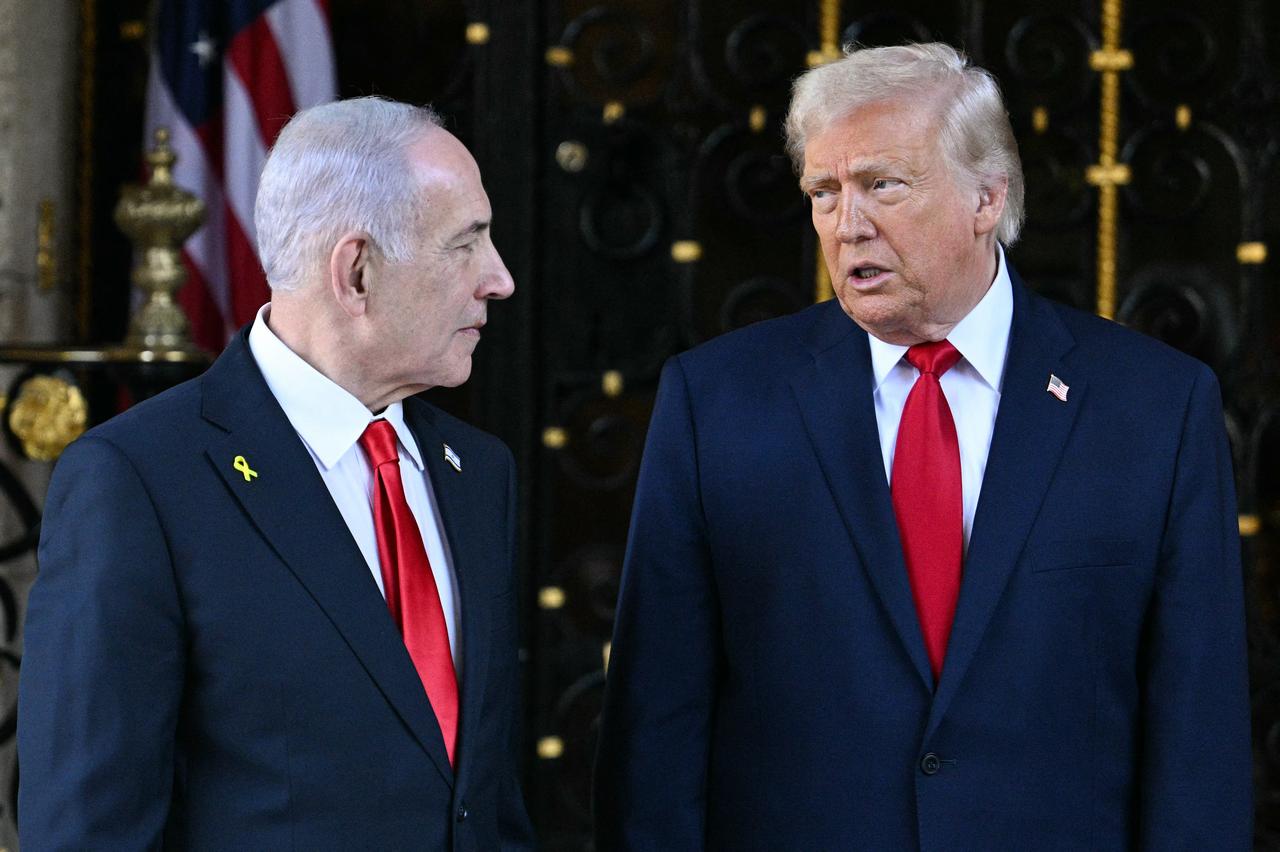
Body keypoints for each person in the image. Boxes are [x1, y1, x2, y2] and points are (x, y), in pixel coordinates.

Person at [594, 43, 1252, 850]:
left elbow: (1198, 734)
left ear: (987, 196)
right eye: (823, 192)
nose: (847, 224)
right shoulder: (719, 402)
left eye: (882, 185)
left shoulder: (1155, 408)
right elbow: (654, 733)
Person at [19, 97, 534, 850]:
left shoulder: (479, 473)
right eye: (466, 245)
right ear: (356, 271)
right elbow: (87, 833)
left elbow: (484, 804)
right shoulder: (140, 484)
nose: (499, 280)